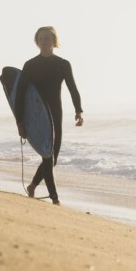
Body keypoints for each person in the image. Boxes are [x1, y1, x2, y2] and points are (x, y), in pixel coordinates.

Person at [15, 26, 83, 205]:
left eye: (48, 38)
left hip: (55, 114)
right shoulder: (30, 65)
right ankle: (54, 197)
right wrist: (20, 121)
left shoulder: (62, 64)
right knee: (48, 156)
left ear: (54, 41)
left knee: (52, 157)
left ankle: (32, 185)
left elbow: (72, 88)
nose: (44, 41)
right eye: (41, 38)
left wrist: (78, 110)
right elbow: (20, 94)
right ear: (37, 41)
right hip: (36, 115)